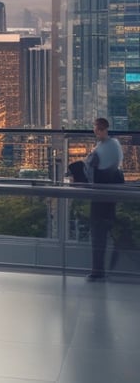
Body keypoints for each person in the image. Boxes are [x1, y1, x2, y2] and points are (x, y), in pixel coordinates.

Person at [85, 117, 124, 281]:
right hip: (112, 196)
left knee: (98, 235)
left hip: (99, 196)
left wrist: (90, 157)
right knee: (111, 232)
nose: (95, 132)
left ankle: (98, 271)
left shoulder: (101, 149)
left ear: (100, 129)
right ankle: (110, 270)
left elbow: (89, 168)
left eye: (95, 129)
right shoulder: (115, 144)